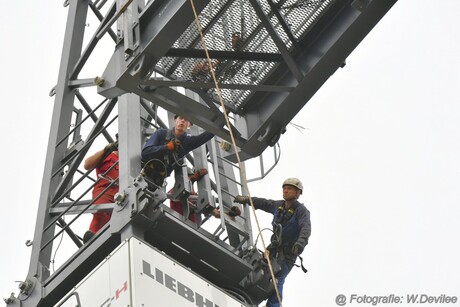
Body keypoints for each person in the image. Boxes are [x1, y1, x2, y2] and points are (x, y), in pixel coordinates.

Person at [234, 178, 311, 307]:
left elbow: (306, 229)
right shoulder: (279, 206)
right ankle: (245, 293)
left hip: (288, 254)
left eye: (289, 188)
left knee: (278, 279)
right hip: (274, 248)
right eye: (284, 188)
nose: (285, 190)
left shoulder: (301, 211)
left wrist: (299, 244)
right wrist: (247, 199)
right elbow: (263, 203)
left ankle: (274, 305)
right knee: (258, 268)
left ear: (298, 193)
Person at [141, 114, 214, 188]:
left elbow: (206, 136)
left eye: (186, 120)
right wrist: (166, 147)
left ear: (189, 124)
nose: (183, 121)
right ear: (175, 120)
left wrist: (221, 121)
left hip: (157, 183)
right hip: (144, 175)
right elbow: (145, 152)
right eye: (181, 118)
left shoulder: (187, 143)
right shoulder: (161, 133)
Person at [82, 137, 119, 243]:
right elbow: (87, 164)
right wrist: (106, 149)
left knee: (119, 217)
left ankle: (112, 239)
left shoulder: (131, 161)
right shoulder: (107, 154)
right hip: (104, 190)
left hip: (122, 193)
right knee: (100, 213)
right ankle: (93, 237)